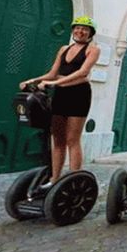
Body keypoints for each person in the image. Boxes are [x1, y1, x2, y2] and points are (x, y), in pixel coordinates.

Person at [19, 16, 101, 188]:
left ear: (90, 34)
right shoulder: (64, 48)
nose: (80, 31)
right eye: (77, 28)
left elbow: (83, 73)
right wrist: (33, 80)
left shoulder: (92, 50)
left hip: (79, 94)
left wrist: (55, 83)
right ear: (73, 31)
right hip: (61, 95)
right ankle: (54, 179)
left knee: (73, 139)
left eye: (85, 29)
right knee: (57, 139)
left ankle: (73, 179)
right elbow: (52, 72)